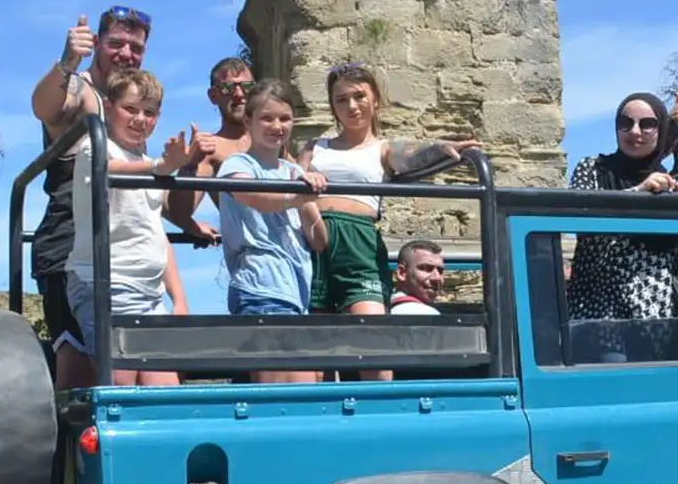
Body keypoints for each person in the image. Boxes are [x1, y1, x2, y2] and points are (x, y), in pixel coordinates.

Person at [28, 6, 152, 390]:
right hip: (68, 242)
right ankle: (71, 450)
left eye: (136, 47)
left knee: (132, 365)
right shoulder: (81, 91)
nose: (126, 54)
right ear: (96, 43)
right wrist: (67, 61)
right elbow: (44, 108)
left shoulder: (130, 109)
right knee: (81, 366)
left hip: (120, 246)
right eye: (116, 43)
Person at [300, 62, 478, 319]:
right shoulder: (315, 147)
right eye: (341, 99)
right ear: (333, 107)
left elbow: (412, 154)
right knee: (316, 333)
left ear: (375, 100)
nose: (351, 106)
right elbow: (286, 178)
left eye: (359, 96)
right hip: (313, 235)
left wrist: (440, 147)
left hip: (358, 240)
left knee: (371, 327)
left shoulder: (382, 149)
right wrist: (304, 176)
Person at [61, 67, 192, 386]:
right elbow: (108, 169)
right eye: (130, 109)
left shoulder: (144, 159)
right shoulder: (95, 144)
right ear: (108, 107)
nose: (140, 119)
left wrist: (179, 298)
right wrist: (161, 167)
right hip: (105, 283)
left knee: (166, 391)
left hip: (149, 293)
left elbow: (155, 232)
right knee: (119, 382)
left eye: (149, 112)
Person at [215, 80, 330, 384]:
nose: (277, 126)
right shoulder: (236, 164)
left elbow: (320, 240)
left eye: (284, 118)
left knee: (303, 390)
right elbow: (254, 197)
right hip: (261, 287)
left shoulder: (292, 173)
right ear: (248, 121)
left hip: (293, 292)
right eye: (267, 118)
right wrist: (297, 196)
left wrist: (308, 193)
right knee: (290, 390)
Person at [565, 92, 678, 322]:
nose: (635, 131)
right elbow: (583, 222)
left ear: (660, 130)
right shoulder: (592, 169)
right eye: (626, 123)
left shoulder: (667, 182)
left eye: (647, 124)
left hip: (653, 318)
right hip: (598, 314)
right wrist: (638, 193)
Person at [165, 55, 255, 247]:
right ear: (214, 96)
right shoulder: (211, 150)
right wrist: (190, 164)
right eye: (228, 88)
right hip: (253, 258)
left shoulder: (273, 141)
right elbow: (178, 211)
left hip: (298, 254)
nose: (239, 94)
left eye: (247, 87)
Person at [388, 239, 446, 315]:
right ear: (402, 273)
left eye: (440, 270)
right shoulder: (427, 315)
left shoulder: (381, 310)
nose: (437, 278)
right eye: (426, 268)